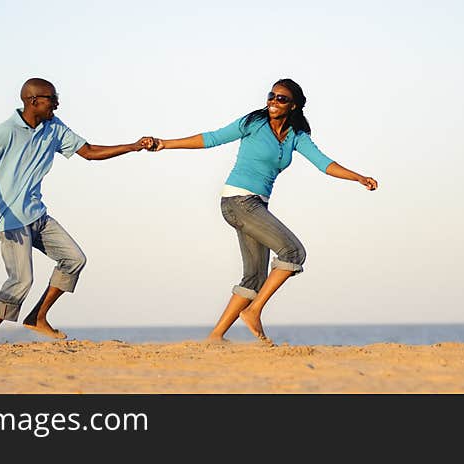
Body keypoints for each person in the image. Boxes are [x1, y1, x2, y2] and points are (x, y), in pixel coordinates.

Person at [149, 78, 378, 344]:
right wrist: (164, 143)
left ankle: (215, 337)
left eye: (281, 98)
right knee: (293, 252)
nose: (273, 101)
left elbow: (323, 163)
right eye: (271, 96)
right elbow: (211, 138)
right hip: (239, 202)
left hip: (256, 205)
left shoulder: (296, 136)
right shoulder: (253, 123)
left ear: (293, 106)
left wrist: (357, 177)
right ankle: (254, 311)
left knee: (255, 277)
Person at [0, 77, 154, 344]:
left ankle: (37, 317)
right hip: (10, 219)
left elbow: (89, 152)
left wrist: (133, 146)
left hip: (37, 215)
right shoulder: (6, 131)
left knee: (74, 259)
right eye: (51, 99)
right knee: (21, 280)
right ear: (33, 101)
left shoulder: (53, 128)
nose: (56, 104)